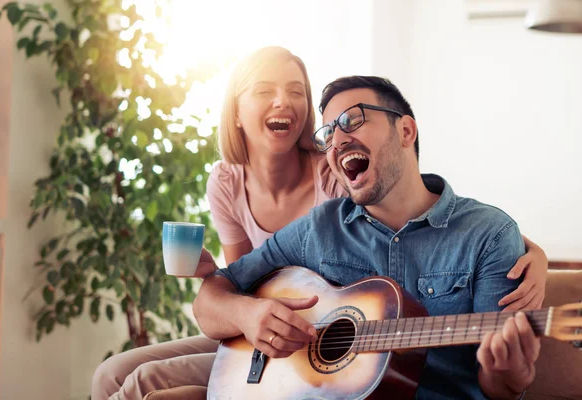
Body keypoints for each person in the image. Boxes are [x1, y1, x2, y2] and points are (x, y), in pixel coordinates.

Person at [91, 47, 545, 399]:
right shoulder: (318, 225)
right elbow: (223, 292)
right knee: (118, 376)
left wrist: (510, 371)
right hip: (293, 369)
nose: (338, 137)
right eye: (329, 131)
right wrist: (248, 311)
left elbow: (500, 386)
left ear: (406, 131)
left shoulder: (486, 234)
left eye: (353, 119)